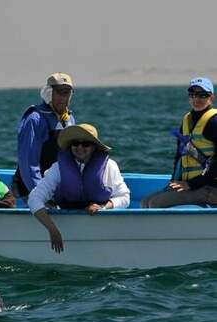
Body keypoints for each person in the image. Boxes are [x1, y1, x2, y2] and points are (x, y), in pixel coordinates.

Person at [28, 124, 130, 252]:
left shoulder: (110, 167)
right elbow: (34, 199)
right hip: (64, 219)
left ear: (94, 147)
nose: (80, 147)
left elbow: (125, 197)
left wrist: (104, 207)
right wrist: (52, 230)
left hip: (99, 224)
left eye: (86, 144)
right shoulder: (58, 168)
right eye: (75, 143)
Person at [142, 77, 217, 208]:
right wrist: (174, 181)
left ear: (211, 98)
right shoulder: (186, 120)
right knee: (145, 202)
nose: (196, 99)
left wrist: (190, 184)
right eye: (192, 95)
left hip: (211, 187)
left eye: (202, 95)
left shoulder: (214, 121)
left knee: (155, 203)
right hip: (194, 185)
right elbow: (179, 156)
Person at [12, 72, 77, 202]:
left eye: (67, 92)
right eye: (59, 92)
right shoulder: (34, 119)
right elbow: (29, 163)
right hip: (32, 191)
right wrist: (41, 196)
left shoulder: (70, 119)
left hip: (56, 188)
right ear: (48, 92)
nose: (63, 97)